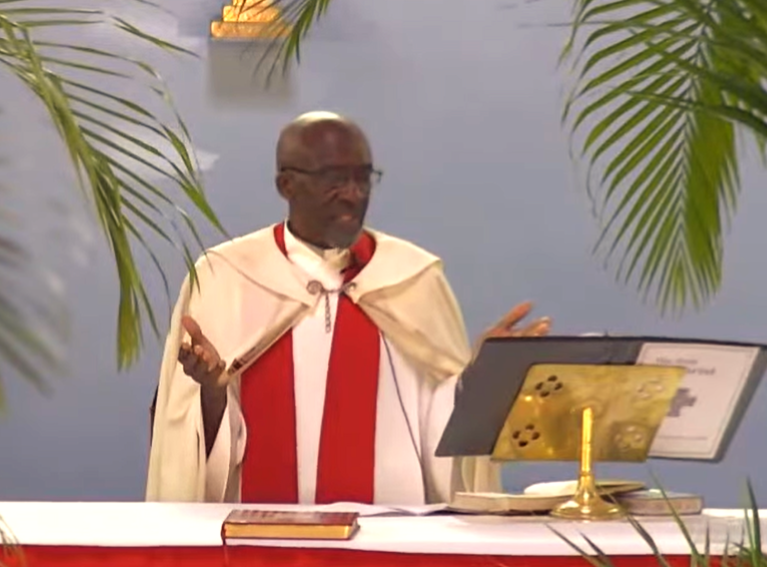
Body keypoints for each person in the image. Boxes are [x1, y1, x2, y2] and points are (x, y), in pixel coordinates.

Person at [146, 111, 550, 504]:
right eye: (336, 180)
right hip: (256, 544)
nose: (354, 195)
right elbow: (186, 442)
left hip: (391, 544)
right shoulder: (226, 277)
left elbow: (439, 432)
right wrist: (212, 393)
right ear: (286, 184)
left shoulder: (412, 279)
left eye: (363, 178)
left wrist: (477, 380)